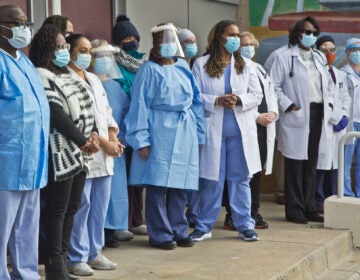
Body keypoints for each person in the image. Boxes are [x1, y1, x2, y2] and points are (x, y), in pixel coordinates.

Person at [125, 22, 206, 250]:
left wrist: (199, 132)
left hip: (184, 131)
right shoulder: (148, 70)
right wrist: (141, 140)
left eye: (172, 41)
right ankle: (160, 233)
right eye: (164, 41)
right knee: (158, 185)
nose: (169, 45)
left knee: (181, 184)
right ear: (156, 44)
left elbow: (197, 102)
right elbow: (138, 107)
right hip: (158, 130)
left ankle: (179, 229)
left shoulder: (183, 67)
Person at [30, 24, 100, 280]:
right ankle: (54, 266)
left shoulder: (69, 75)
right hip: (59, 151)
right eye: (58, 47)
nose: (63, 51)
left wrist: (92, 135)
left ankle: (62, 257)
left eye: (65, 47)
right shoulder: (41, 74)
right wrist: (83, 140)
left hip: (80, 151)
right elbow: (56, 114)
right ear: (47, 48)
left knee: (72, 207)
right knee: (57, 210)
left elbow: (88, 108)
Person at [190, 20, 262, 242]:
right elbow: (194, 96)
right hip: (214, 132)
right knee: (212, 180)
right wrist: (217, 101)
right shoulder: (201, 64)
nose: (236, 40)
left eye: (237, 35)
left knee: (240, 179)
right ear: (220, 36)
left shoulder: (246, 65)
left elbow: (257, 95)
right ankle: (203, 226)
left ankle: (244, 225)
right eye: (231, 35)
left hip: (240, 134)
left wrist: (239, 99)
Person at [0, 5, 50, 280]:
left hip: (32, 159)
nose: (24, 29)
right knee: (2, 226)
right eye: (17, 23)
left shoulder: (23, 60)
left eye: (26, 23)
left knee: (27, 226)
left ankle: (26, 274)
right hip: (6, 161)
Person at [65, 34, 120, 276]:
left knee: (100, 206)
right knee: (82, 205)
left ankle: (94, 252)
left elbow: (106, 112)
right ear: (70, 52)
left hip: (105, 154)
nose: (87, 55)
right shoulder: (64, 80)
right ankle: (76, 256)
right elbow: (77, 120)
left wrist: (114, 138)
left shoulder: (95, 80)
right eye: (82, 50)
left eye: (89, 50)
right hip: (84, 151)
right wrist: (105, 142)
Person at [269, 16, 332, 224]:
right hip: (297, 114)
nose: (311, 36)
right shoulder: (283, 56)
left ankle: (309, 207)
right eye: (307, 32)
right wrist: (289, 105)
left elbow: (327, 85)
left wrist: (329, 106)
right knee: (295, 164)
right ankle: (294, 209)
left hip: (318, 114)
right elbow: (273, 87)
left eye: (314, 32)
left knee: (312, 163)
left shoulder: (319, 57)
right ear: (297, 33)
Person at [90, 39, 130, 249]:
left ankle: (114, 228)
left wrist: (118, 137)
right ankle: (100, 231)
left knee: (115, 191)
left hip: (115, 146)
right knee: (95, 193)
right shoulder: (87, 82)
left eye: (108, 56)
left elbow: (122, 113)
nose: (105, 61)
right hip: (95, 146)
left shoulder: (115, 86)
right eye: (100, 56)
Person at [112, 14, 148, 237]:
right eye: (126, 38)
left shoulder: (142, 64)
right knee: (121, 179)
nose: (132, 41)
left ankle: (137, 219)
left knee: (137, 179)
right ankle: (121, 222)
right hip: (121, 128)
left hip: (138, 127)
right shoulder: (113, 64)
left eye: (134, 36)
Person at [315, 36, 350, 212]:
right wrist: (337, 117)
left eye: (332, 50)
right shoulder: (315, 75)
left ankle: (331, 197)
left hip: (337, 129)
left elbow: (345, 98)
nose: (329, 53)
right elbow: (324, 100)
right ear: (317, 52)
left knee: (334, 164)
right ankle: (318, 199)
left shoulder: (340, 74)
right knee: (320, 165)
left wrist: (344, 116)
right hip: (323, 125)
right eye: (324, 50)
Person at [341, 38, 360, 197]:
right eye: (354, 50)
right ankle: (347, 193)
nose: (357, 53)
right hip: (350, 122)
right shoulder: (343, 73)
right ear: (347, 52)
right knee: (346, 161)